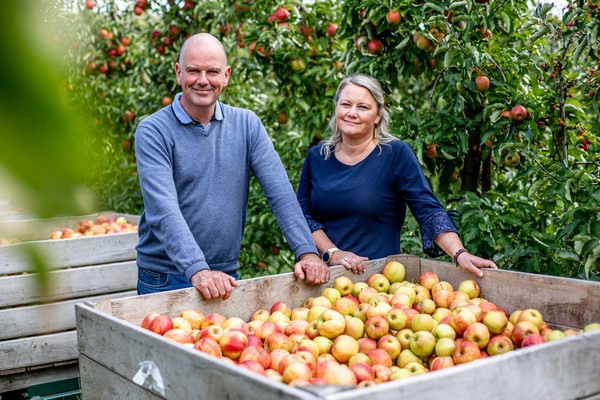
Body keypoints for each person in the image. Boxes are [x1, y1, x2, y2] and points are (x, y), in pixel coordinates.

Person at [134, 33, 329, 299]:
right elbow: (163, 209)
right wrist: (198, 270)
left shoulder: (247, 125)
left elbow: (281, 194)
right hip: (166, 276)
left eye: (212, 71)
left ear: (226, 75)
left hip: (224, 276)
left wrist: (307, 251)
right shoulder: (153, 130)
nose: (203, 80)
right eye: (193, 71)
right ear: (179, 73)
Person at [297, 74, 497, 278]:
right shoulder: (318, 157)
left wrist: (459, 253)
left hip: (380, 282)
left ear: (377, 116)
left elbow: (428, 210)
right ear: (336, 108)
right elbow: (302, 215)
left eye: (363, 107)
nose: (352, 113)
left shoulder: (395, 154)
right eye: (346, 104)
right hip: (324, 280)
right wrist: (333, 253)